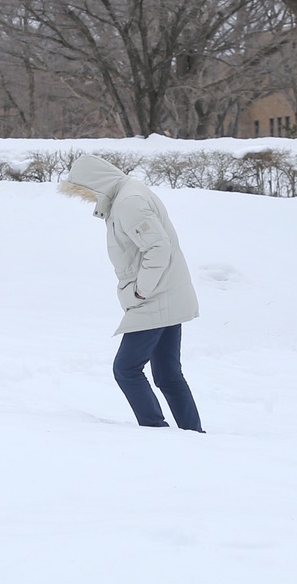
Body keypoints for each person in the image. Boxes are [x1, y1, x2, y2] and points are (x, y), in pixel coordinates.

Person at [61, 154, 203, 432]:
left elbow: (158, 249)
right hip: (168, 293)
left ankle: (155, 430)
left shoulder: (129, 203)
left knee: (126, 369)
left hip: (156, 297)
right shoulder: (127, 194)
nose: (88, 199)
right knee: (168, 374)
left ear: (95, 183)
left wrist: (140, 291)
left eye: (86, 192)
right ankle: (193, 433)